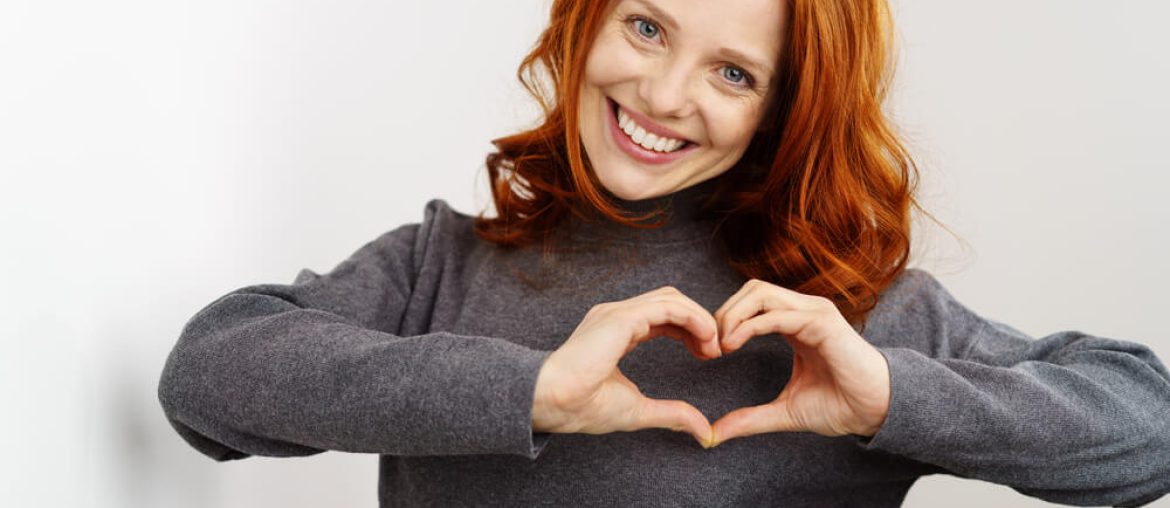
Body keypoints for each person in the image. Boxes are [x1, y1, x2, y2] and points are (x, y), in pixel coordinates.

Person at [157, 0, 1170, 506]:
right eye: (647, 27)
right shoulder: (442, 262)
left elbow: (1149, 425)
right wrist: (530, 392)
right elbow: (208, 375)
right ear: (585, 18)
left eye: (732, 72)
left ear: (786, 111)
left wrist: (891, 398)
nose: (664, 93)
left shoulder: (848, 316)